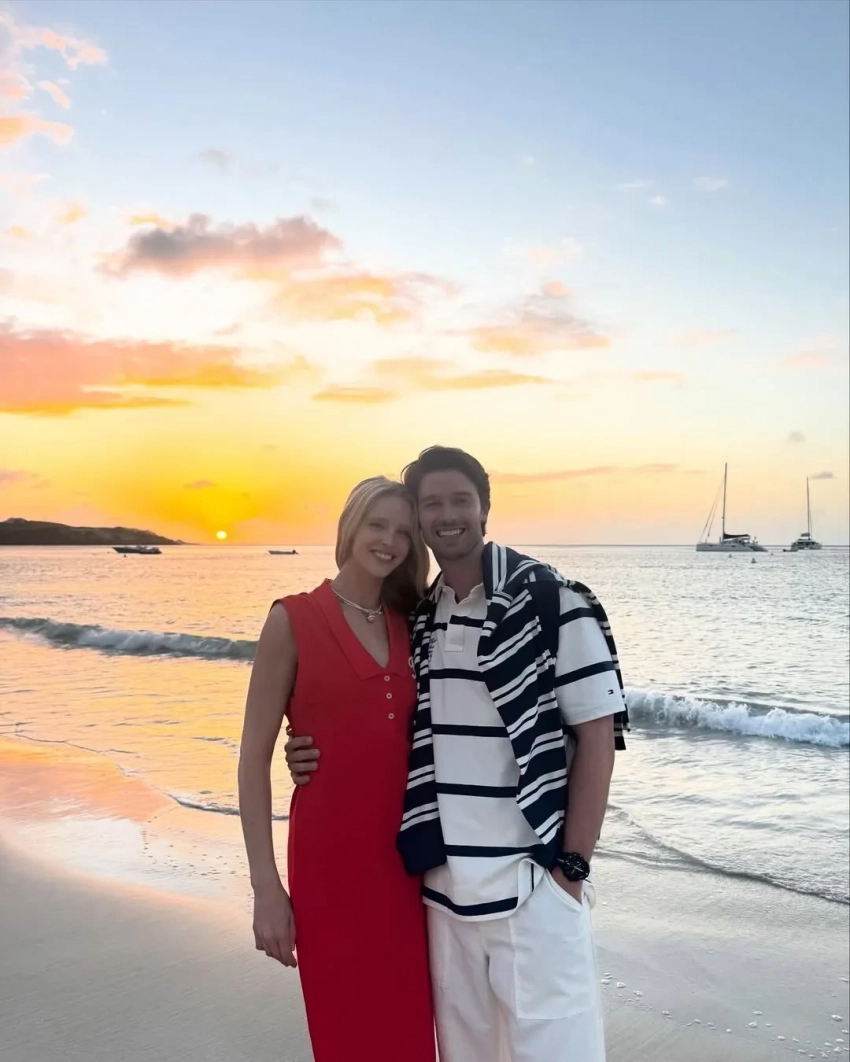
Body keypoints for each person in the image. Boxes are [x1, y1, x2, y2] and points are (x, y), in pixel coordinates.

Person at [286, 446, 629, 1062]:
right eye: (432, 504)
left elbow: (597, 739)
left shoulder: (553, 602)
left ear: (484, 509)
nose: (448, 516)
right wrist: (311, 747)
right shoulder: (419, 619)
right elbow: (381, 716)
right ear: (419, 519)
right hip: (442, 898)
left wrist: (570, 871)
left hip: (533, 890)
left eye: (460, 501)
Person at [238, 476, 436, 1062]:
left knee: (410, 1032)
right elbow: (252, 759)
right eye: (378, 525)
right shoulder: (292, 619)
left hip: (409, 870)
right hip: (330, 868)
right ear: (350, 527)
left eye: (404, 532)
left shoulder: (415, 621)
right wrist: (266, 888)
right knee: (345, 1031)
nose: (390, 541)